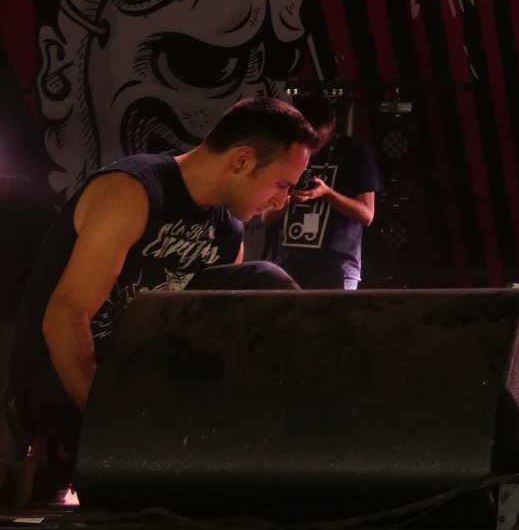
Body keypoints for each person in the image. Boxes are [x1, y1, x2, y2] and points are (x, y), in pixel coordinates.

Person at [3, 96, 317, 494]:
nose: (281, 201)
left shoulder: (227, 230)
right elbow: (64, 319)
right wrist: (116, 426)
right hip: (61, 383)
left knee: (252, 292)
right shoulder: (132, 191)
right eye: (281, 184)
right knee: (264, 277)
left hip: (142, 385)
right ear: (241, 160)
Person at [257, 93, 383, 290]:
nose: (311, 143)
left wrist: (327, 193)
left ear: (332, 125)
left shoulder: (355, 151)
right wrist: (288, 197)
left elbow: (367, 215)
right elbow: (266, 218)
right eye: (306, 136)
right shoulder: (289, 151)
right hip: (288, 267)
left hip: (338, 267)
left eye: (318, 136)